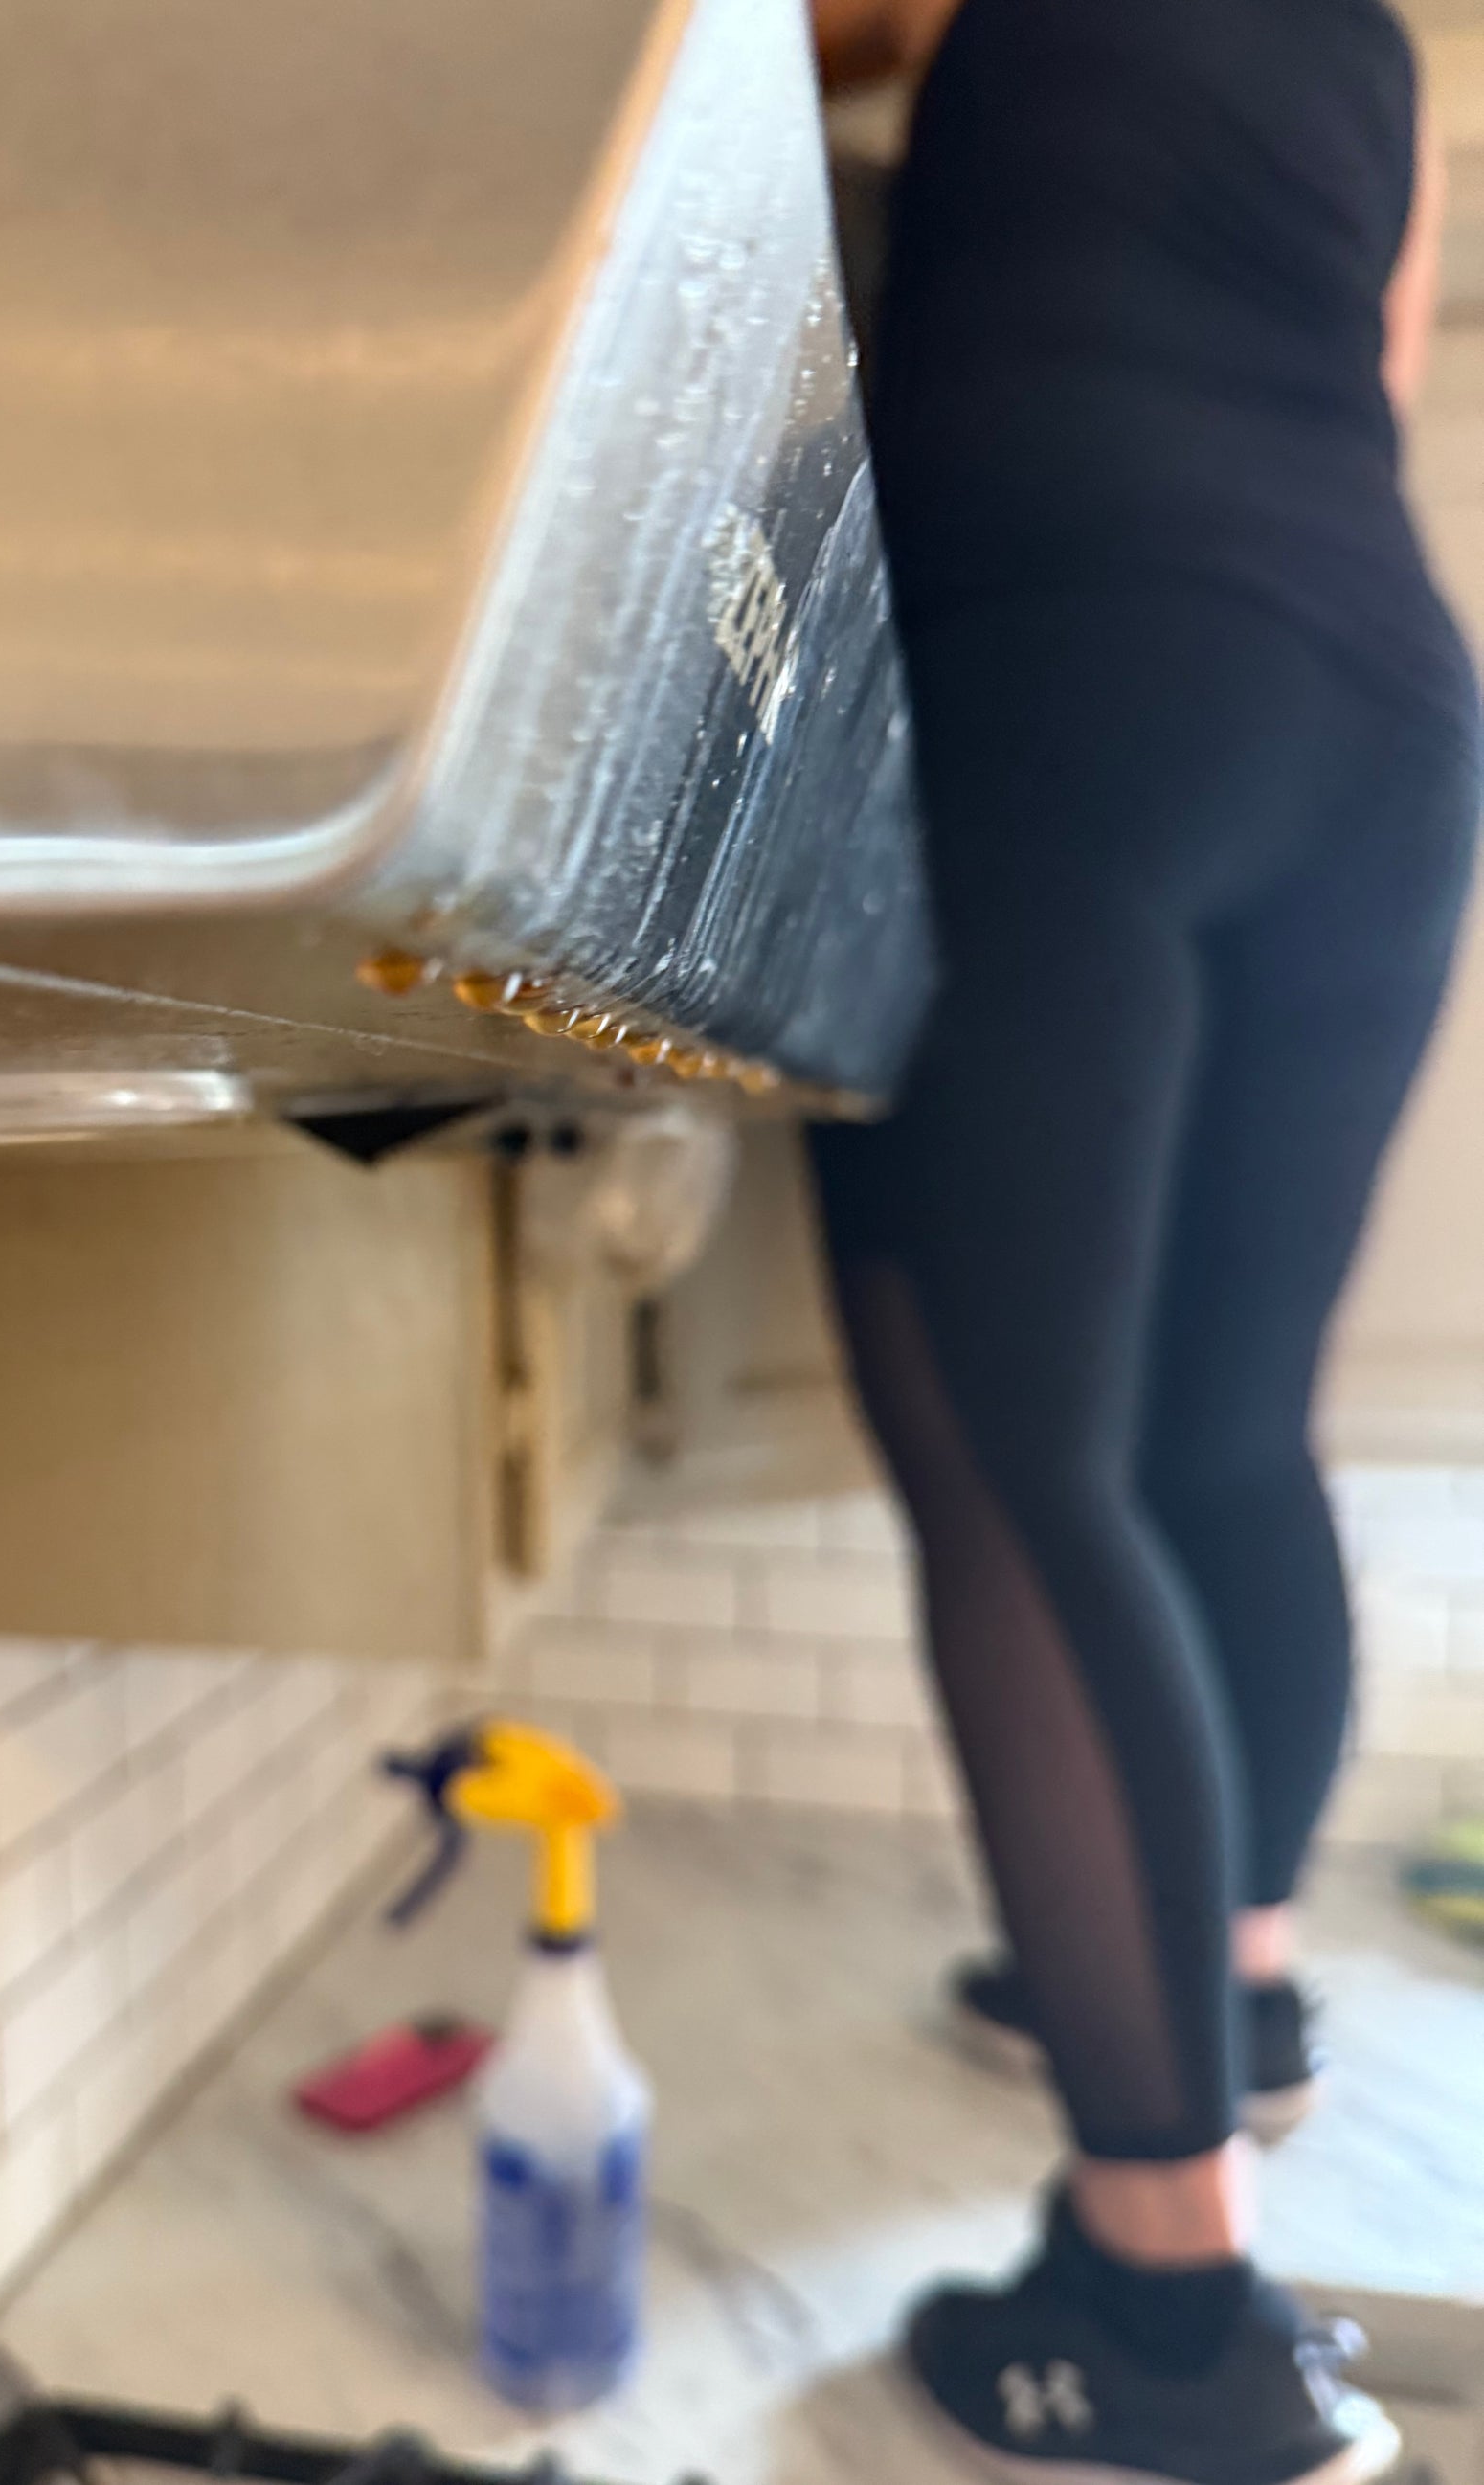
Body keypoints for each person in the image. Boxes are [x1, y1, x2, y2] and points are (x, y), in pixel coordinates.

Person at [805, 2, 1481, 2480]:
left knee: (1009, 1448)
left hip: (1075, 647)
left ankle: (1164, 2300)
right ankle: (1234, 1998)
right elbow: (1377, 351)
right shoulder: (1376, 45)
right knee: (1216, 1430)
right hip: (1380, 706)